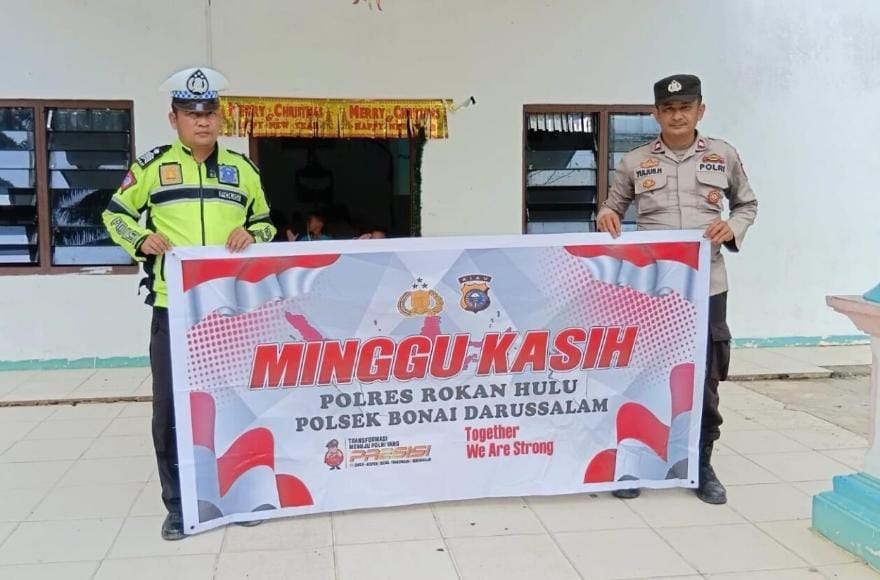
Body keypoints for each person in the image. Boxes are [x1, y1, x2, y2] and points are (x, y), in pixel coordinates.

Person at [102, 67, 276, 540]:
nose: (202, 121)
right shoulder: (152, 167)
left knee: (234, 406)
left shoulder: (243, 170)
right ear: (173, 118)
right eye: (192, 113)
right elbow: (115, 215)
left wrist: (252, 234)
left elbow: (265, 222)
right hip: (173, 309)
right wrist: (141, 239)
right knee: (171, 412)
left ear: (220, 118)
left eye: (210, 113)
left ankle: (238, 495)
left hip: (230, 311)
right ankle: (179, 506)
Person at [597, 74, 758, 505]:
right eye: (668, 109)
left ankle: (701, 465)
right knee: (645, 374)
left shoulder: (723, 155)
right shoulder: (634, 162)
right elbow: (613, 207)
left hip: (708, 285)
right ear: (656, 114)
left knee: (703, 377)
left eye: (685, 107)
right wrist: (606, 216)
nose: (677, 115)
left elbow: (747, 204)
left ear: (700, 110)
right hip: (653, 287)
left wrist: (732, 226)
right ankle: (633, 462)